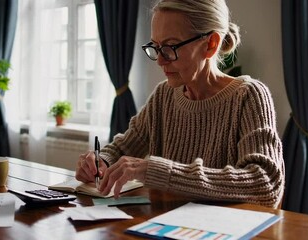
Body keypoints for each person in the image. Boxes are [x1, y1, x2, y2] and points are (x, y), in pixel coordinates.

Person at [76, 0, 285, 208]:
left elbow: (265, 184)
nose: (160, 60)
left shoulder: (249, 96)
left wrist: (160, 171)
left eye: (169, 47)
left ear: (211, 44)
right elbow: (123, 147)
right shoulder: (164, 95)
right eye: (155, 47)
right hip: (165, 226)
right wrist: (102, 161)